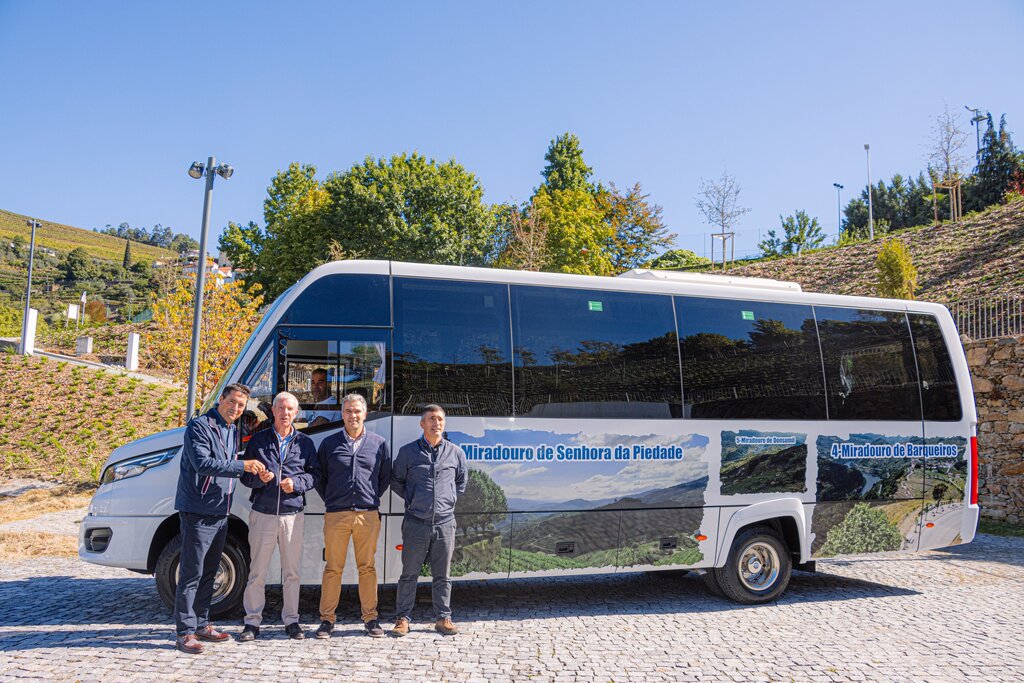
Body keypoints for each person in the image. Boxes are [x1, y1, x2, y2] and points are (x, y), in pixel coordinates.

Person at [173, 383, 266, 655]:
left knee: (209, 571)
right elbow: (203, 463)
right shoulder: (200, 426)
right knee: (191, 572)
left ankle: (202, 623)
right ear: (221, 400)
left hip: (220, 511)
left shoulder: (230, 429)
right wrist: (242, 465)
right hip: (198, 510)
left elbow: (227, 463)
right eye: (232, 402)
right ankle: (185, 632)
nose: (236, 408)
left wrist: (251, 469)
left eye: (241, 405)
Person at [237, 391, 317, 642]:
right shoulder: (258, 440)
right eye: (280, 408)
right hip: (263, 513)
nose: (285, 413)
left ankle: (292, 620)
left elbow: (314, 475)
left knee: (292, 572)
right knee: (257, 571)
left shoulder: (305, 442)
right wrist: (258, 479)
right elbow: (245, 475)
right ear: (272, 411)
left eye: (290, 409)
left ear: (296, 413)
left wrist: (297, 483)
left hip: (292, 515)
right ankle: (252, 622)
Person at [312, 393, 391, 639]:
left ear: (365, 414)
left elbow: (384, 477)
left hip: (367, 515)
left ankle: (370, 618)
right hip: (337, 515)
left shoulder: (379, 443)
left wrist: (367, 498)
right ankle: (327, 620)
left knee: (367, 568)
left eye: (357, 411)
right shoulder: (329, 443)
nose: (353, 415)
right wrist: (335, 500)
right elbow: (320, 478)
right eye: (348, 411)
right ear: (342, 414)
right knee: (333, 568)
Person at [390, 404, 467, 637]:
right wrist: (414, 501)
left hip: (445, 523)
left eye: (440, 419)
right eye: (431, 419)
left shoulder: (456, 453)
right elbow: (396, 481)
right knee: (409, 573)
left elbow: (461, 483)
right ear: (422, 424)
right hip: (416, 522)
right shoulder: (407, 452)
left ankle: (443, 618)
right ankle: (403, 619)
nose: (437, 423)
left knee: (443, 574)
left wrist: (447, 501)